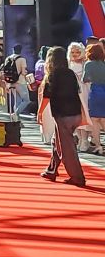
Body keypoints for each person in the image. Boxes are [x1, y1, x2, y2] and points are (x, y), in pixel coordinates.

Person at [38, 47, 87, 187]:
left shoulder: (52, 75)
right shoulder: (70, 73)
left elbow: (46, 97)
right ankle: (51, 169)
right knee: (57, 141)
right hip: (75, 112)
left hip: (63, 114)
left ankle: (78, 177)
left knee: (67, 148)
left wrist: (40, 112)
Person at [66, 42, 92, 152]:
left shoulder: (85, 63)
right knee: (75, 117)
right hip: (71, 93)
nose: (75, 54)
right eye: (73, 52)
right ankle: (80, 139)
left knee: (84, 115)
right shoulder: (68, 64)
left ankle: (85, 140)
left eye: (77, 52)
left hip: (84, 92)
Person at [83, 42, 105, 156]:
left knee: (95, 121)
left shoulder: (88, 64)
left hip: (95, 91)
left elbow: (84, 79)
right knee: (103, 120)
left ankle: (98, 146)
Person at [1, 44, 29, 120]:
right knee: (26, 100)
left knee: (17, 101)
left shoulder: (8, 58)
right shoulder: (22, 59)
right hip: (20, 82)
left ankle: (16, 119)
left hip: (11, 82)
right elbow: (23, 72)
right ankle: (15, 114)